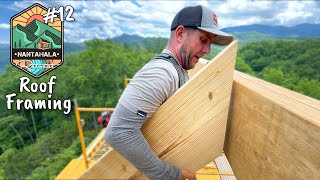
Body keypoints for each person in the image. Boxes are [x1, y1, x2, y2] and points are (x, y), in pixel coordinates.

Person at [105, 5, 234, 180]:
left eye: (210, 43)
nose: (207, 51)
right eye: (203, 40)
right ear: (180, 34)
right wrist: (169, 175)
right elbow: (119, 132)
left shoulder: (179, 69)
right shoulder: (162, 73)